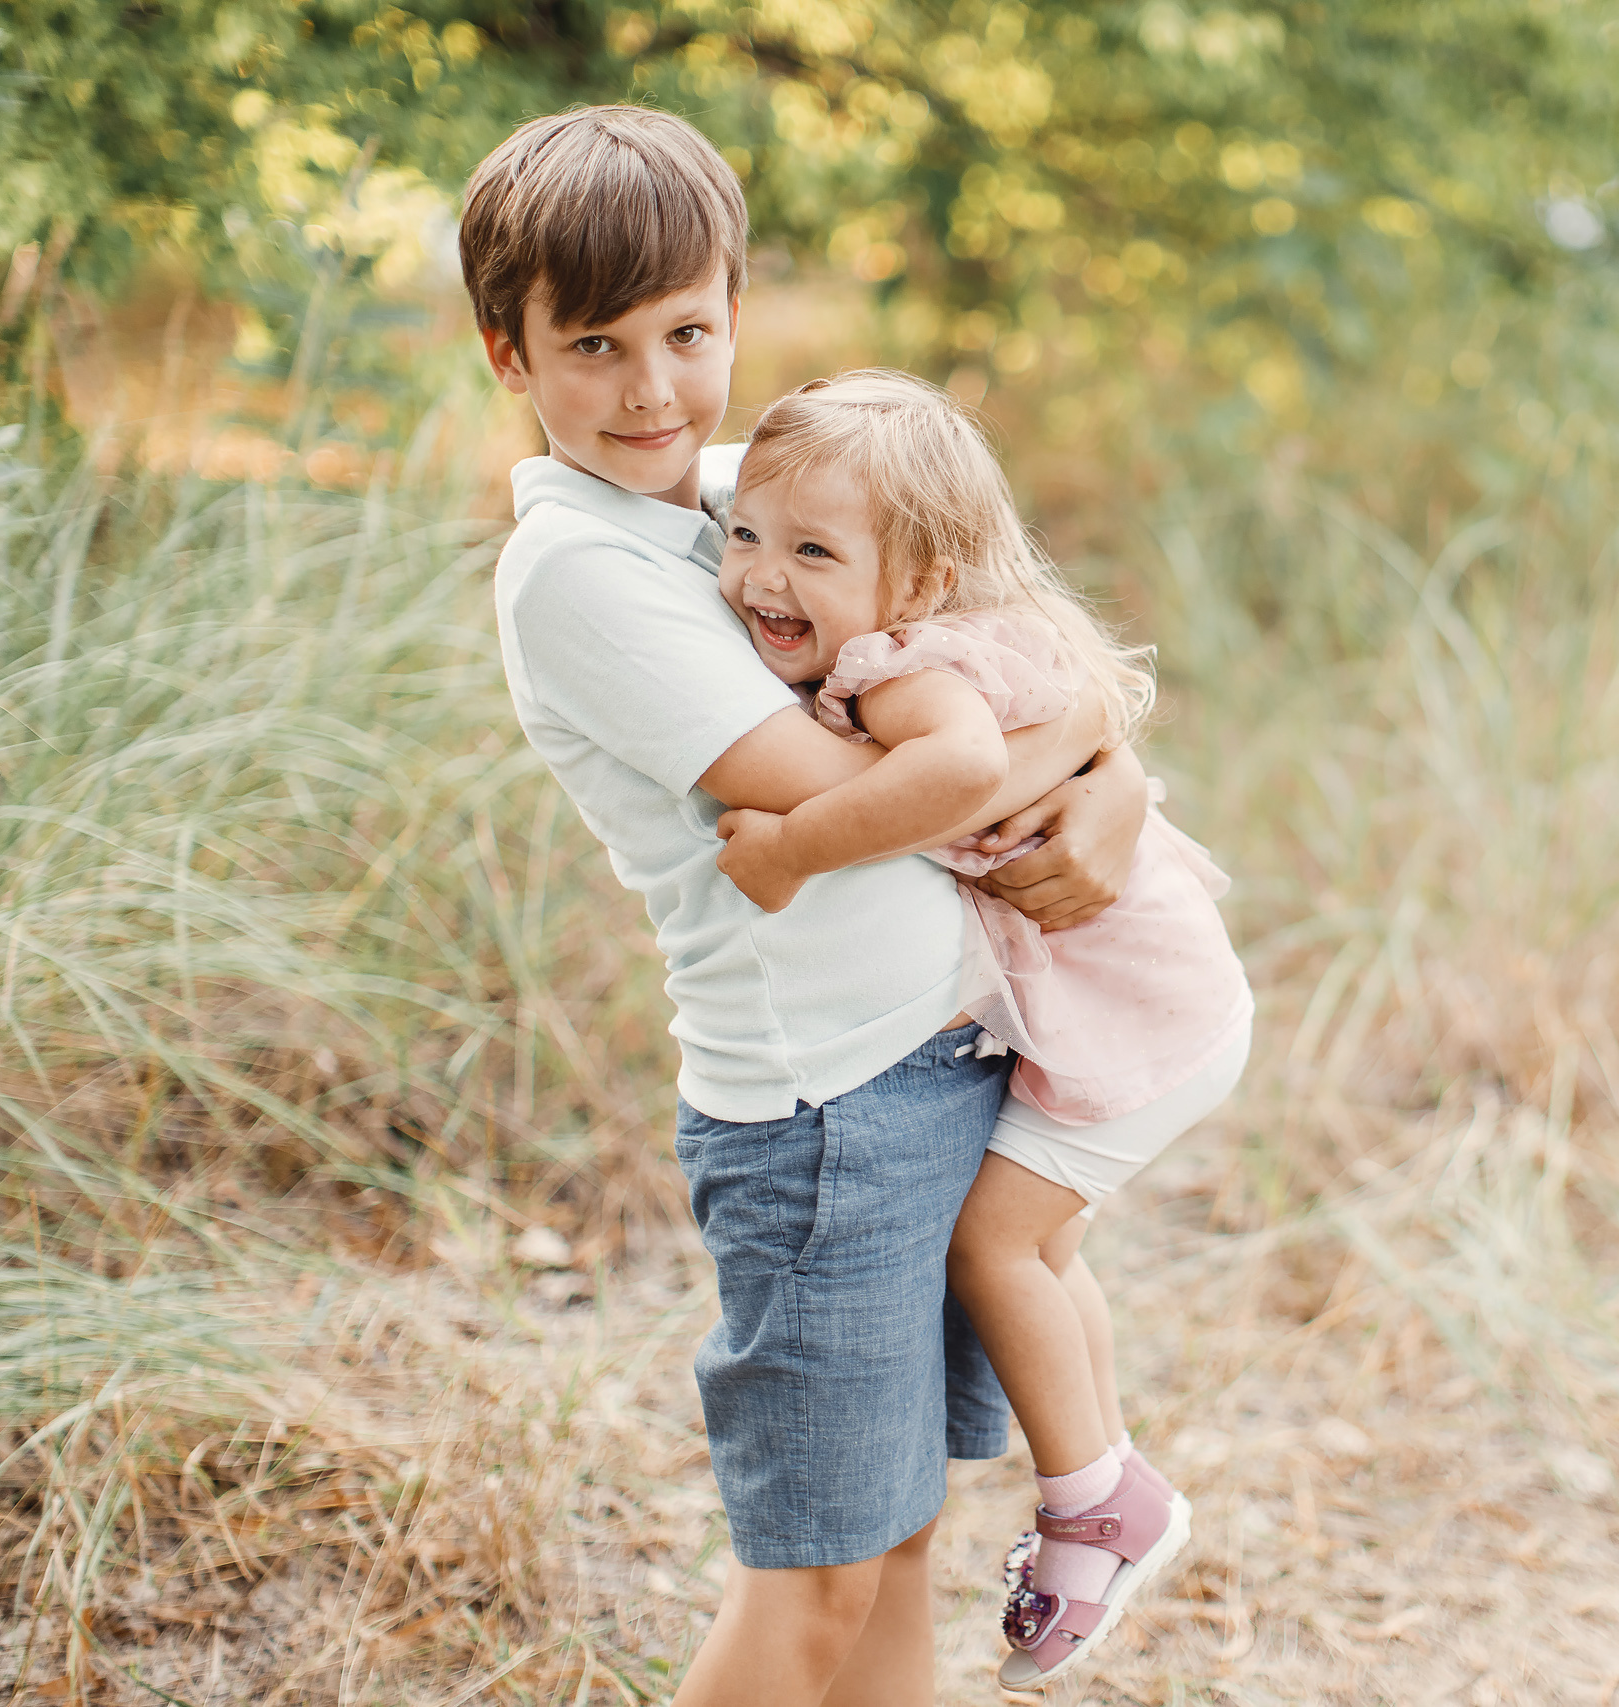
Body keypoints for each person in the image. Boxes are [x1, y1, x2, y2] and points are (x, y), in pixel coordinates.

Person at [460, 107, 1151, 1707]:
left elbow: (1007, 633)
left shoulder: (729, 492)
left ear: (737, 311)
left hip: (932, 1070)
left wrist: (1106, 757)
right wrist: (1076, 755)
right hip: (819, 1111)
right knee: (819, 1574)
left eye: (688, 333)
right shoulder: (578, 568)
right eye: (594, 346)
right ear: (510, 352)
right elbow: (862, 787)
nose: (650, 390)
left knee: (896, 1537)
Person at [702, 370, 1254, 1690]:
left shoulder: (906, 667)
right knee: (1046, 1242)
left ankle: (1096, 1501)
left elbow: (949, 774)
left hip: (1137, 1009)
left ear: (921, 578)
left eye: (813, 554)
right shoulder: (966, 617)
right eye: (745, 538)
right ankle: (1106, 1468)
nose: (761, 577)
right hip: (1172, 999)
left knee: (992, 1242)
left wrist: (789, 847)